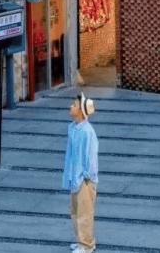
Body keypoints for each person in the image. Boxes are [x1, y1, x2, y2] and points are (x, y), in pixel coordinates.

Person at [62, 92, 99, 253]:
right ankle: (81, 241)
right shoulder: (73, 128)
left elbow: (91, 157)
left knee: (85, 213)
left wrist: (86, 177)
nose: (71, 106)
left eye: (75, 105)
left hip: (84, 180)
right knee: (75, 212)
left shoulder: (87, 132)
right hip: (74, 176)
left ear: (81, 111)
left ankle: (87, 245)